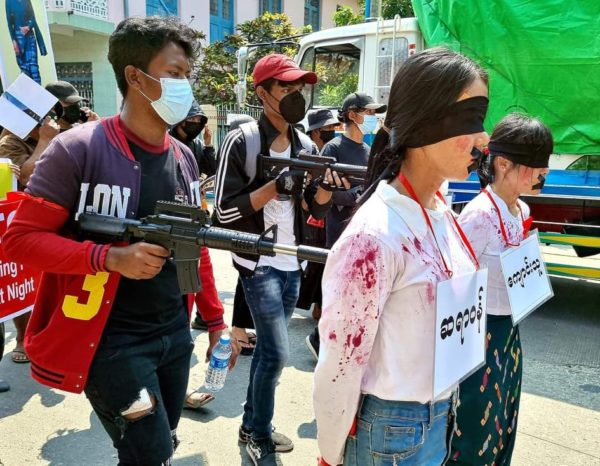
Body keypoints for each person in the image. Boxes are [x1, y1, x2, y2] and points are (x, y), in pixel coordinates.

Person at [4, 16, 238, 465]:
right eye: (174, 74)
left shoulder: (184, 157)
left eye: (187, 76)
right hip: (110, 342)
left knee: (161, 446)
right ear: (135, 76)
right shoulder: (78, 148)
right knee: (149, 452)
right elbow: (21, 240)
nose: (184, 87)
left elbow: (196, 246)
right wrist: (108, 257)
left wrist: (214, 323)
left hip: (173, 335)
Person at [313, 47, 490, 466]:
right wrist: (329, 453)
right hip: (392, 432)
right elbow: (340, 362)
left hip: (439, 412)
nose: (484, 138)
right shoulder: (373, 237)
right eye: (471, 120)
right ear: (426, 122)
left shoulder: (441, 209)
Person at [214, 53, 346, 465]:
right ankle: (258, 433)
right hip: (260, 263)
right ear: (262, 93)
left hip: (295, 261)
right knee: (276, 353)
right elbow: (223, 212)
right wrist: (276, 184)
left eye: (298, 88)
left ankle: (253, 424)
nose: (295, 95)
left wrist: (324, 188)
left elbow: (313, 209)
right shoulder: (243, 141)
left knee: (270, 353)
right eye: (285, 88)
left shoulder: (305, 143)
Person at [449, 113, 552, 466]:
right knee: (475, 431)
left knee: (504, 423)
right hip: (478, 338)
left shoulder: (520, 208)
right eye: (536, 165)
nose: (543, 173)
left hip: (509, 335)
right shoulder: (478, 215)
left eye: (545, 164)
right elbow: (453, 286)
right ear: (504, 163)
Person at [0, 101, 61, 364]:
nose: (48, 121)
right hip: (20, 220)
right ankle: (23, 337)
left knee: (48, 279)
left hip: (51, 212)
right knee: (22, 280)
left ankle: (47, 335)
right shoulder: (10, 142)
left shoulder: (60, 134)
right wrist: (46, 140)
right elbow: (26, 176)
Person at [299, 109, 339, 360]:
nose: (332, 131)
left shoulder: (329, 148)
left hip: (323, 216)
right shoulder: (315, 151)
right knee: (314, 265)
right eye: (328, 127)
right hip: (313, 217)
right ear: (316, 131)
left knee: (317, 267)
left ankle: (317, 305)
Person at [322, 92, 386, 248]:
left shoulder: (370, 151)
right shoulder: (332, 148)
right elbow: (323, 192)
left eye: (374, 113)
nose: (373, 117)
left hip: (364, 233)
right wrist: (359, 194)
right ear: (352, 115)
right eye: (369, 112)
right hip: (339, 236)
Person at [5, 0, 47, 84]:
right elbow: (9, 24)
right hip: (18, 39)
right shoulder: (9, 1)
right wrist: (14, 41)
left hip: (30, 37)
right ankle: (26, 93)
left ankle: (39, 93)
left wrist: (28, 27)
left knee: (34, 67)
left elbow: (33, 19)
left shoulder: (26, 1)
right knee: (24, 69)